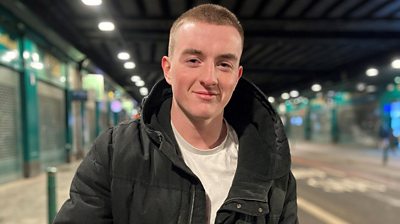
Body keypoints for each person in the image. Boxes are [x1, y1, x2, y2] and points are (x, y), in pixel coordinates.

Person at [54, 4, 298, 224]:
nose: (209, 78)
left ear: (237, 75)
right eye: (194, 60)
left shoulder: (271, 167)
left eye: (224, 64)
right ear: (168, 69)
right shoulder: (114, 151)